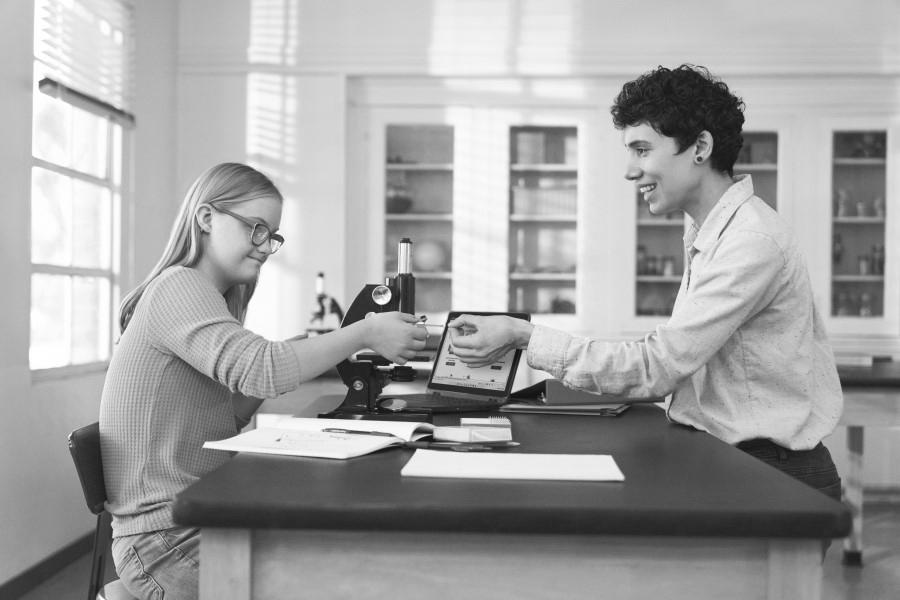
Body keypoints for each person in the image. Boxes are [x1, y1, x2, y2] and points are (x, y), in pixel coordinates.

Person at [449, 65, 843, 504]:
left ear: (700, 147)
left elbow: (657, 369)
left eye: (642, 149)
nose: (630, 171)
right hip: (739, 462)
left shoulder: (749, 241)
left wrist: (525, 336)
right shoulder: (712, 230)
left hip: (772, 475)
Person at [99, 162, 426, 600]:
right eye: (256, 228)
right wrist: (363, 333)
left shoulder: (206, 296)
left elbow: (226, 414)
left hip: (200, 515)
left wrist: (300, 354)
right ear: (207, 218)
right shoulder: (178, 287)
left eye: (271, 235)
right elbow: (262, 369)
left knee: (337, 558)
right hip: (164, 540)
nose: (265, 247)